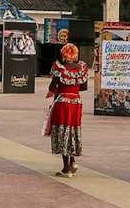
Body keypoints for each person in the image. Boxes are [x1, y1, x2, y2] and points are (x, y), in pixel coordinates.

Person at [46, 43, 89, 177]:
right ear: (75, 55)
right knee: (73, 131)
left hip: (62, 102)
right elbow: (83, 87)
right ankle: (73, 161)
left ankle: (66, 168)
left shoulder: (59, 68)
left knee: (63, 131)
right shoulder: (81, 68)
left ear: (63, 55)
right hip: (76, 102)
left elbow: (52, 87)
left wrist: (57, 90)